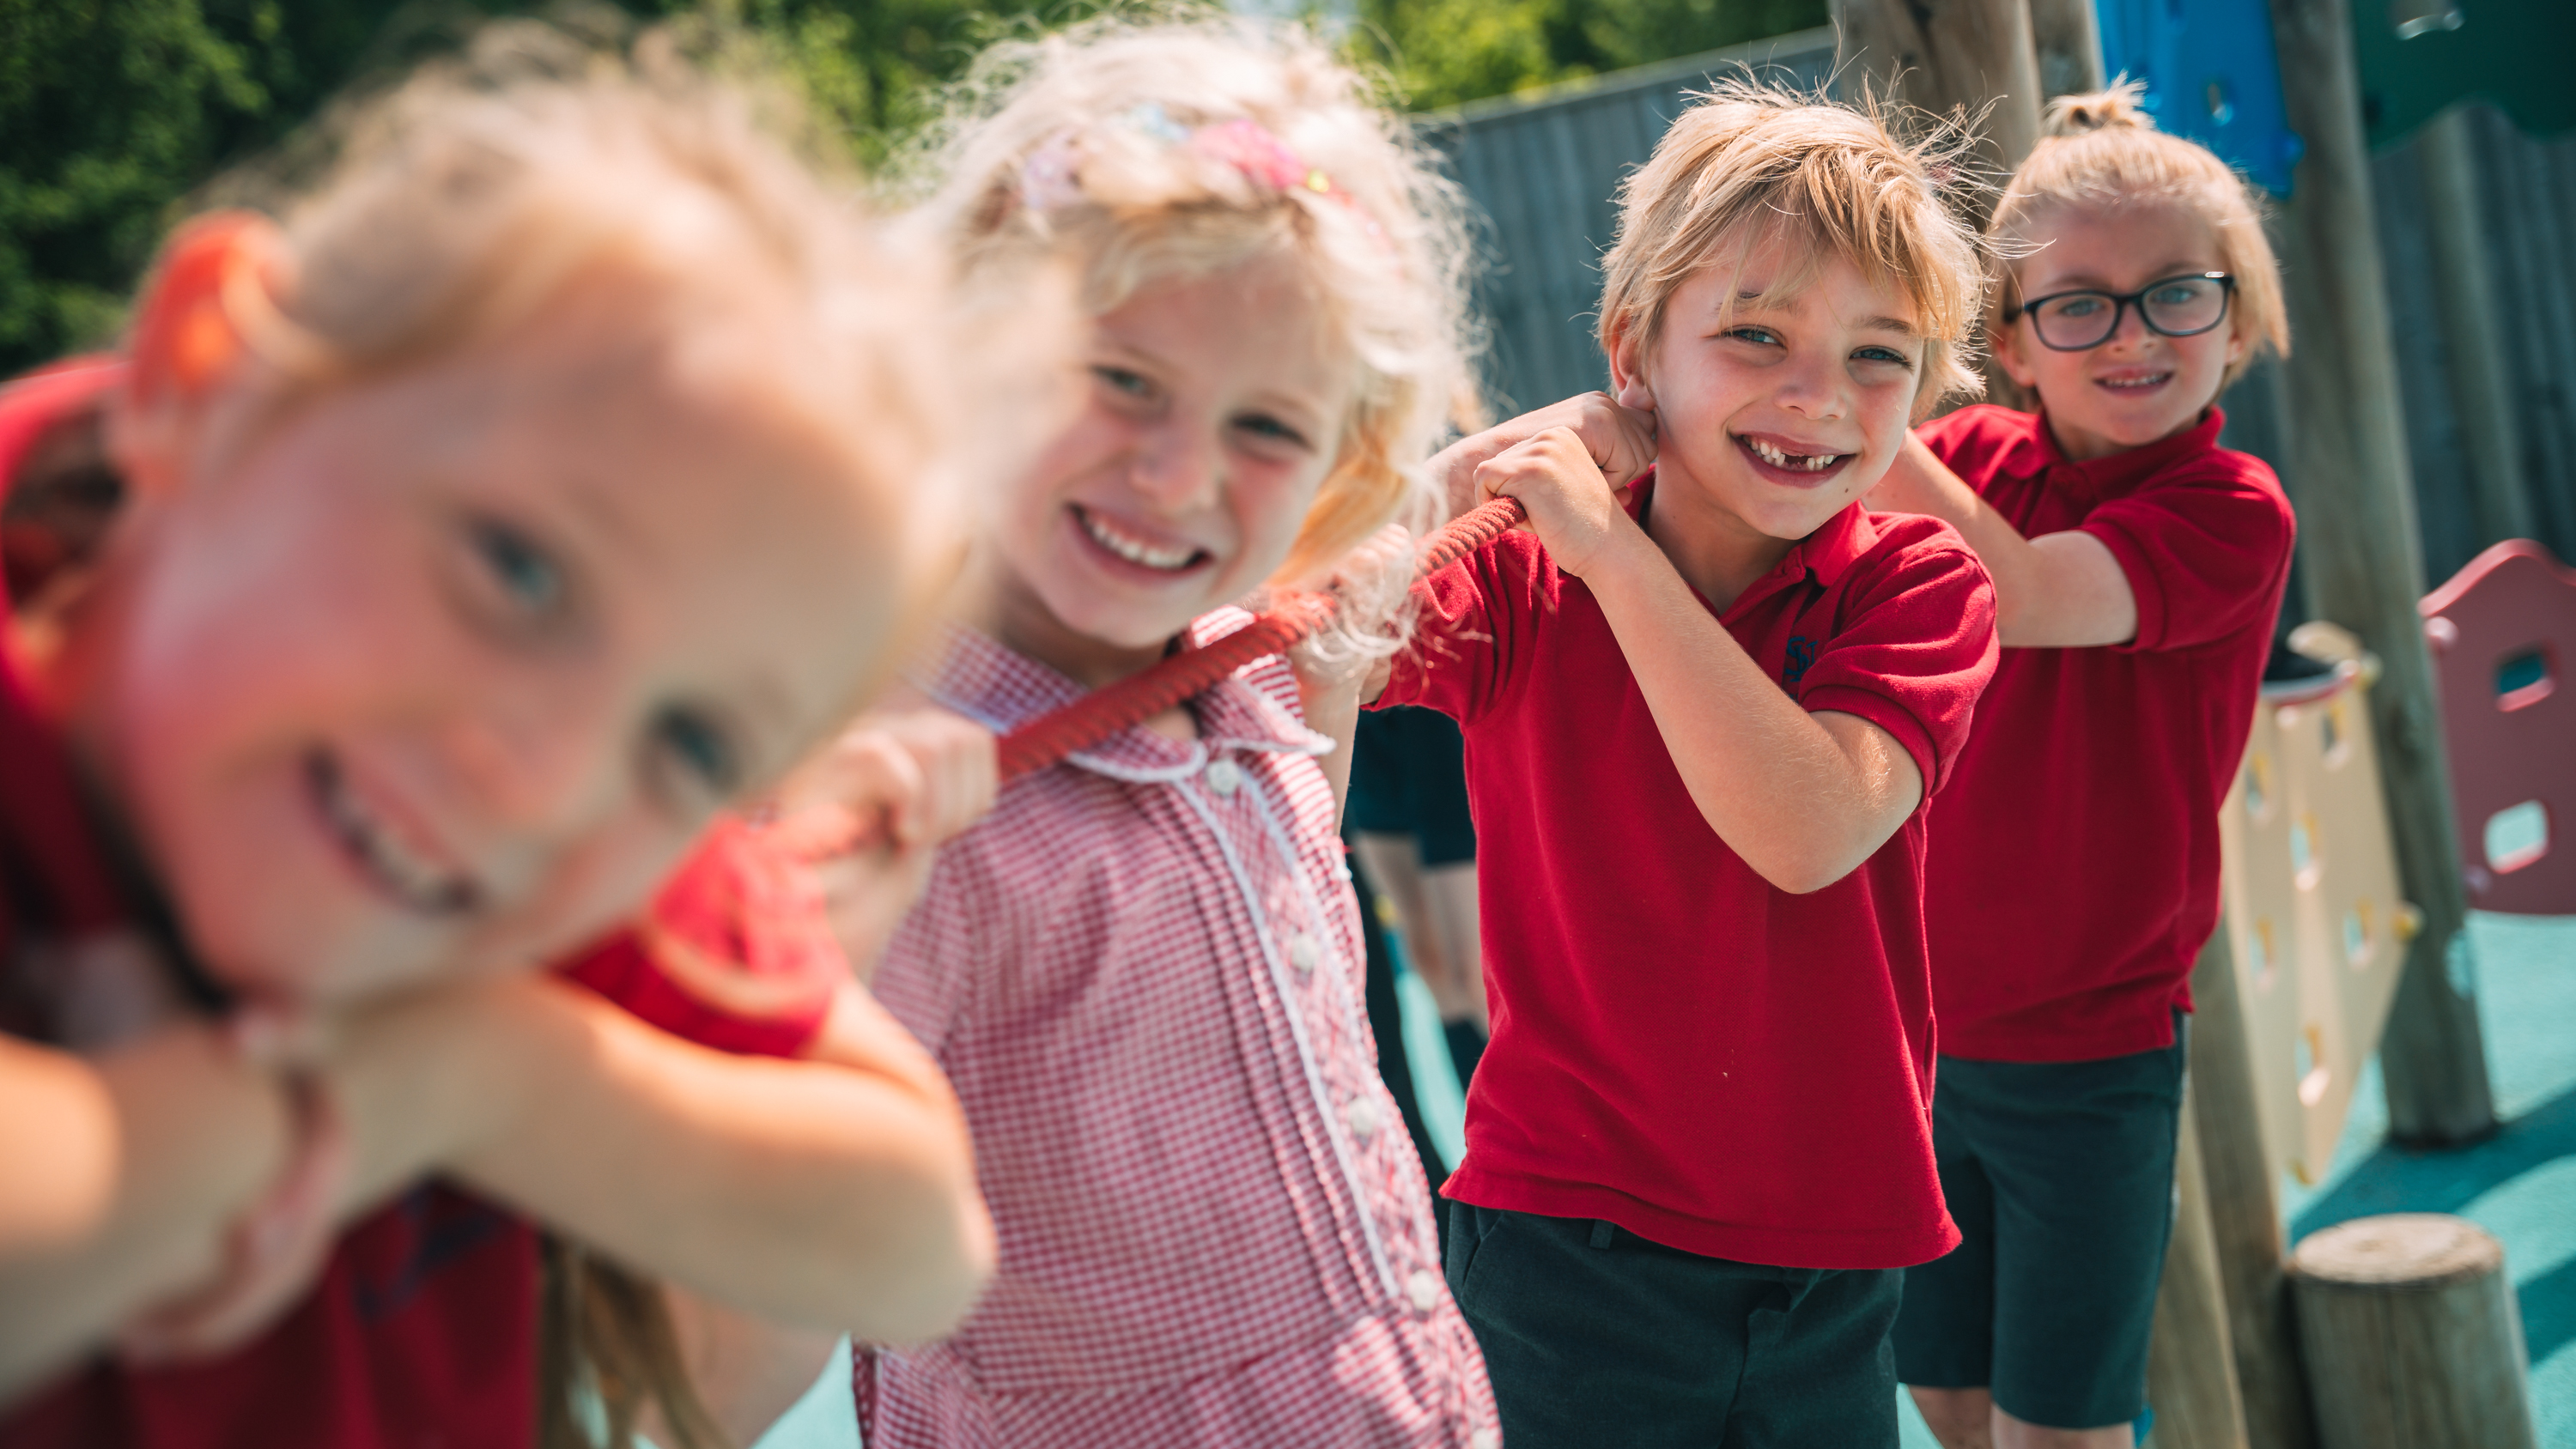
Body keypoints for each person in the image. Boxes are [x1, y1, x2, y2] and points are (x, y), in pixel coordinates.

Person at [0, 30, 999, 1447]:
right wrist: (262, 1127)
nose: (546, 780)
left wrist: (473, 1071)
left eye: (697, 744)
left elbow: (917, 1240)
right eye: (519, 572)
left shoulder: (496, 841)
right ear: (206, 374)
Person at [856, 18, 1498, 1446]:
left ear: (1345, 454)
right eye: (1122, 379)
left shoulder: (1235, 675)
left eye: (1268, 425)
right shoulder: (905, 799)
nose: (1177, 474)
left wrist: (1324, 693)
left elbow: (1228, 912)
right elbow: (728, 1350)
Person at [1370, 84, 2002, 1446]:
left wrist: (1616, 554)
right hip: (1563, 1251)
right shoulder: (1522, 571)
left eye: (1879, 355)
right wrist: (1473, 472)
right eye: (1755, 334)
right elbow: (1288, 621)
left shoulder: (1918, 583)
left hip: (1832, 1255)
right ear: (1634, 359)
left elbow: (1811, 824)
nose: (1817, 396)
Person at [1866, 84, 2295, 1449]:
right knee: (1945, 1390)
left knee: (2062, 1424)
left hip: (2091, 1048)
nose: (2132, 335)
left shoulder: (2230, 510)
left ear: (2240, 317)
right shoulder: (1976, 456)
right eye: (2080, 305)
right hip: (1918, 1033)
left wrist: (1861, 419)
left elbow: (2033, 592)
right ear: (2013, 343)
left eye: (2177, 293)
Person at [1347, 706, 1486, 1087]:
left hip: (1433, 715)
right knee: (1430, 962)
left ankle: (1556, 1135)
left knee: (1474, 974)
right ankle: (1481, 1135)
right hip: (1362, 717)